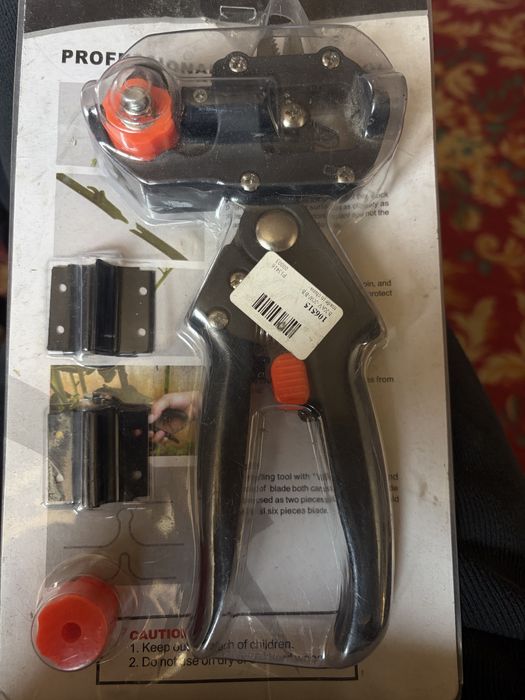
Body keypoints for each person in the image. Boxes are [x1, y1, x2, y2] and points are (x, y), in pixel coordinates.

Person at [0, 2, 523, 697]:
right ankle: (239, 620)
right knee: (285, 356)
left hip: (274, 228)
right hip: (277, 230)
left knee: (309, 356)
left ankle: (304, 624)